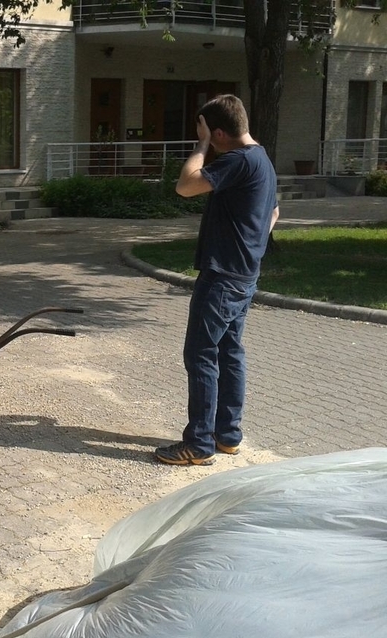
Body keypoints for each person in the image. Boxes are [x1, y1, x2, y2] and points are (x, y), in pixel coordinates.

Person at [155, 94, 280, 466]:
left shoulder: (237, 160)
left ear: (220, 133)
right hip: (244, 274)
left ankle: (198, 444)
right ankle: (227, 436)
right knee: (229, 353)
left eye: (208, 133)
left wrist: (202, 144)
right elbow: (273, 212)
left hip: (223, 278)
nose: (206, 141)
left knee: (200, 355)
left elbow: (186, 185)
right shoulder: (262, 160)